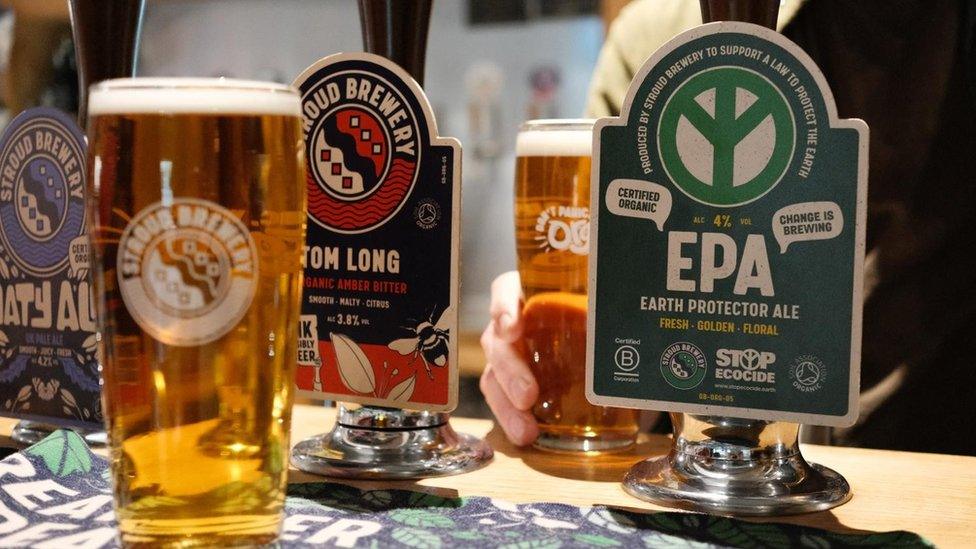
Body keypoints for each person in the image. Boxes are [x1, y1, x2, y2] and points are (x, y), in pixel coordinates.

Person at [481, 0, 976, 456]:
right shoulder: (654, 39)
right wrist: (548, 339)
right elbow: (608, 276)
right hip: (699, 473)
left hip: (937, 458)